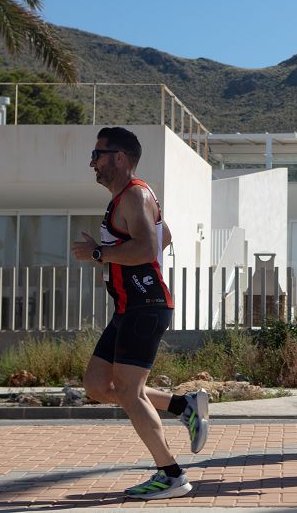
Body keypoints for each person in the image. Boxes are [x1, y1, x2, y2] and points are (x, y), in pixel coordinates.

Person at [72, 127, 209, 500]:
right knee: (99, 386)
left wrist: (99, 253)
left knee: (130, 393)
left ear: (119, 157)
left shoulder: (133, 195)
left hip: (145, 306)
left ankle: (172, 475)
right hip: (129, 307)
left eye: (98, 155)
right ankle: (182, 405)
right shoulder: (131, 198)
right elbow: (164, 236)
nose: (93, 162)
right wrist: (111, 252)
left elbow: (148, 248)